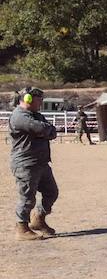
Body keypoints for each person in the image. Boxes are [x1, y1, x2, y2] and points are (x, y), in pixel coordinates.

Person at [9, 87, 59, 240]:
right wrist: (46, 130)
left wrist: (46, 131)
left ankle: (38, 219)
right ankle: (22, 228)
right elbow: (41, 128)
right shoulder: (19, 116)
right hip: (26, 164)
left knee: (51, 192)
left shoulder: (36, 115)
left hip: (41, 163)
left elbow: (52, 132)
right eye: (39, 99)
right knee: (27, 197)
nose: (41, 102)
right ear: (28, 99)